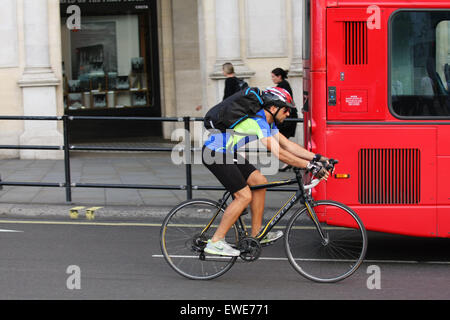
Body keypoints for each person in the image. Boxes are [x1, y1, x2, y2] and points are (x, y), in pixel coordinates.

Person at [202, 87, 332, 256]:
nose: (287, 114)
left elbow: (288, 145)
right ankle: (216, 242)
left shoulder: (268, 123)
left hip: (227, 153)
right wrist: (308, 166)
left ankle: (257, 234)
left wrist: (319, 158)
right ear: (273, 108)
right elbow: (278, 152)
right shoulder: (258, 121)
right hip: (215, 153)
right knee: (244, 196)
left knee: (260, 181)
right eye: (285, 109)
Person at [271, 68, 299, 171]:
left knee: (283, 141)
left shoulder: (282, 86)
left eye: (274, 76)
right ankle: (289, 161)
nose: (272, 79)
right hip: (288, 115)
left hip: (286, 117)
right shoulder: (284, 84)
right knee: (283, 141)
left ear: (279, 76)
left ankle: (290, 161)